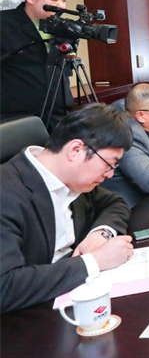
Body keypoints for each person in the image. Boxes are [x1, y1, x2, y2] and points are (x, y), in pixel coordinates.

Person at [0, 104, 135, 313]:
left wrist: (101, 233)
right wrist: (93, 262)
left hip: (73, 296)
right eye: (109, 164)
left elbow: (115, 203)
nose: (110, 174)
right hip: (29, 317)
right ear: (76, 150)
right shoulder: (7, 191)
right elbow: (5, 286)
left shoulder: (73, 178)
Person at [0, 0, 72, 128]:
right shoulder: (4, 24)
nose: (61, 5)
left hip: (58, 115)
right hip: (15, 119)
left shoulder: (61, 27)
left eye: (64, 0)